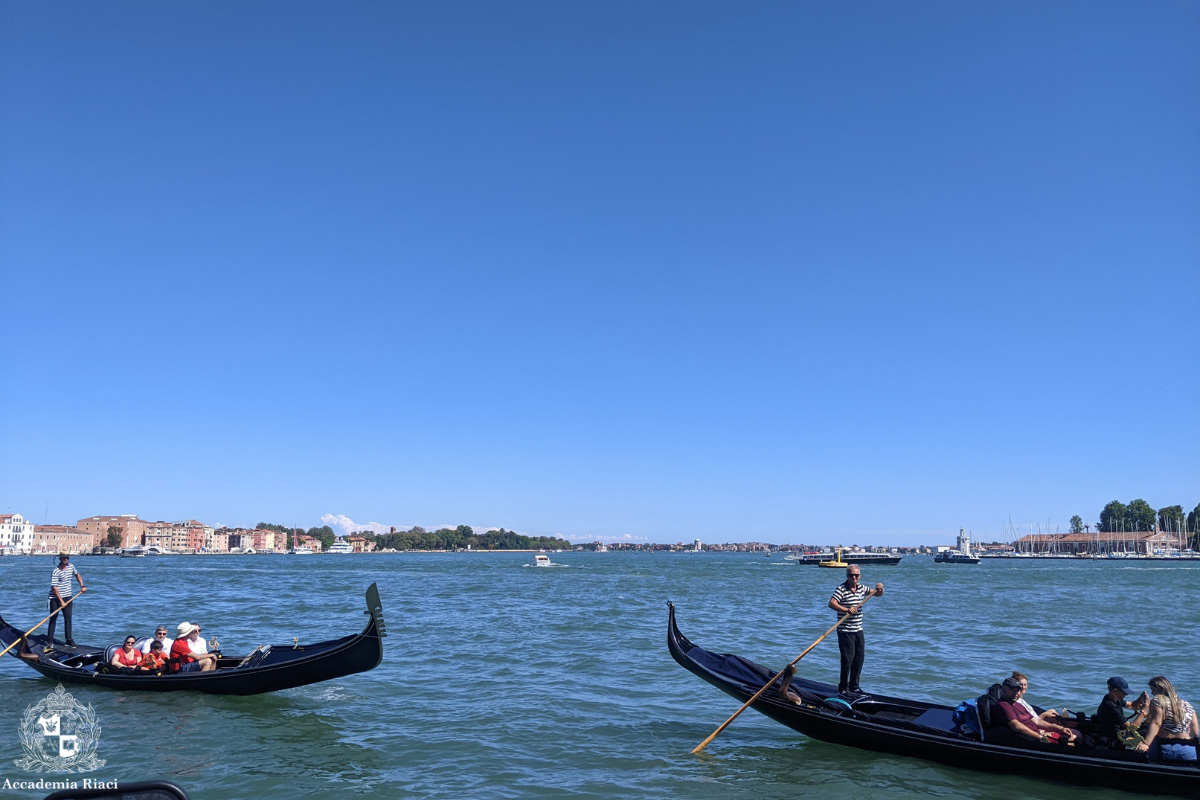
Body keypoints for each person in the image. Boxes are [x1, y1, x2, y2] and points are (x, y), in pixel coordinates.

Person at [828, 565, 883, 696]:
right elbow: (831, 603)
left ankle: (854, 686)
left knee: (859, 659)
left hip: (858, 630)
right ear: (847, 576)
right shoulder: (841, 589)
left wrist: (880, 589)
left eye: (856, 575)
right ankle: (842, 687)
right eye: (851, 575)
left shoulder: (862, 588)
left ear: (860, 576)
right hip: (845, 630)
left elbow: (877, 594)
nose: (854, 578)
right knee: (847, 660)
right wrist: (846, 610)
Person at [994, 676, 1080, 746]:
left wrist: (1060, 728)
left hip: (1040, 735)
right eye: (1012, 689)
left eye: (1017, 690)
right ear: (1004, 689)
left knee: (1075, 736)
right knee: (1073, 742)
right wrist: (1040, 737)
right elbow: (1017, 727)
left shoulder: (1019, 705)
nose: (1016, 693)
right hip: (1031, 739)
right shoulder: (1003, 705)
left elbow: (1037, 722)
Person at [1135, 676, 1198, 762]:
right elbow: (1195, 732)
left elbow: (1156, 723)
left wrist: (1146, 743)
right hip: (1189, 751)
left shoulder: (1158, 700)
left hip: (1164, 749)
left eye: (1153, 690)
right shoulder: (1187, 705)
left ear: (1160, 689)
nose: (1152, 693)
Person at [1093, 676, 1150, 749]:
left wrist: (1140, 698)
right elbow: (1130, 728)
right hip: (1113, 739)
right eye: (1124, 692)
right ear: (1115, 691)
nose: (1126, 694)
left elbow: (1132, 705)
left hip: (1120, 733)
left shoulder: (1114, 699)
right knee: (1147, 732)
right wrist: (1144, 711)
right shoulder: (1109, 706)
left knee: (1147, 727)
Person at [46, 553, 86, 651]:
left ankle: (69, 640)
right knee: (53, 619)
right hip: (55, 598)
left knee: (68, 619)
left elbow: (77, 575)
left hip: (68, 597)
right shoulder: (56, 571)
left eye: (67, 558)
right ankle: (50, 641)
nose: (66, 560)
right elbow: (54, 588)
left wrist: (82, 586)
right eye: (64, 558)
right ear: (60, 559)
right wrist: (61, 601)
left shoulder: (71, 567)